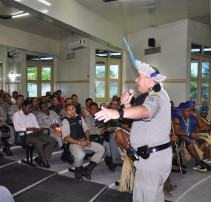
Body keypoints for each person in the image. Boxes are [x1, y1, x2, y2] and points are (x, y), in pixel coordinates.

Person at [95, 60, 172, 202]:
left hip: (152, 161)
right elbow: (141, 120)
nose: (136, 80)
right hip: (150, 158)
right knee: (152, 197)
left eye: (139, 77)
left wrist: (118, 112)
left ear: (149, 79)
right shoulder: (153, 95)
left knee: (145, 198)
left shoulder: (156, 96)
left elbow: (146, 112)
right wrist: (127, 105)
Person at [60, 104, 105, 181]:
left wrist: (87, 140)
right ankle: (78, 170)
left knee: (101, 148)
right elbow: (66, 137)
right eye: (69, 109)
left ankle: (88, 169)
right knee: (81, 154)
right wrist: (80, 143)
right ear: (65, 112)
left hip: (84, 141)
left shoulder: (80, 118)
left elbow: (86, 130)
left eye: (73, 109)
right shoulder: (65, 121)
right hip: (73, 143)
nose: (72, 111)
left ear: (75, 109)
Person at [13, 100, 56, 168]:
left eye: (31, 108)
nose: (30, 110)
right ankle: (43, 160)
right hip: (24, 135)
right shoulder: (17, 114)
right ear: (24, 107)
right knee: (38, 142)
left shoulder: (32, 115)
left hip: (36, 133)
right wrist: (30, 129)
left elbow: (36, 126)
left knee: (52, 140)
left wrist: (39, 128)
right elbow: (17, 128)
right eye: (29, 108)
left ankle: (40, 158)